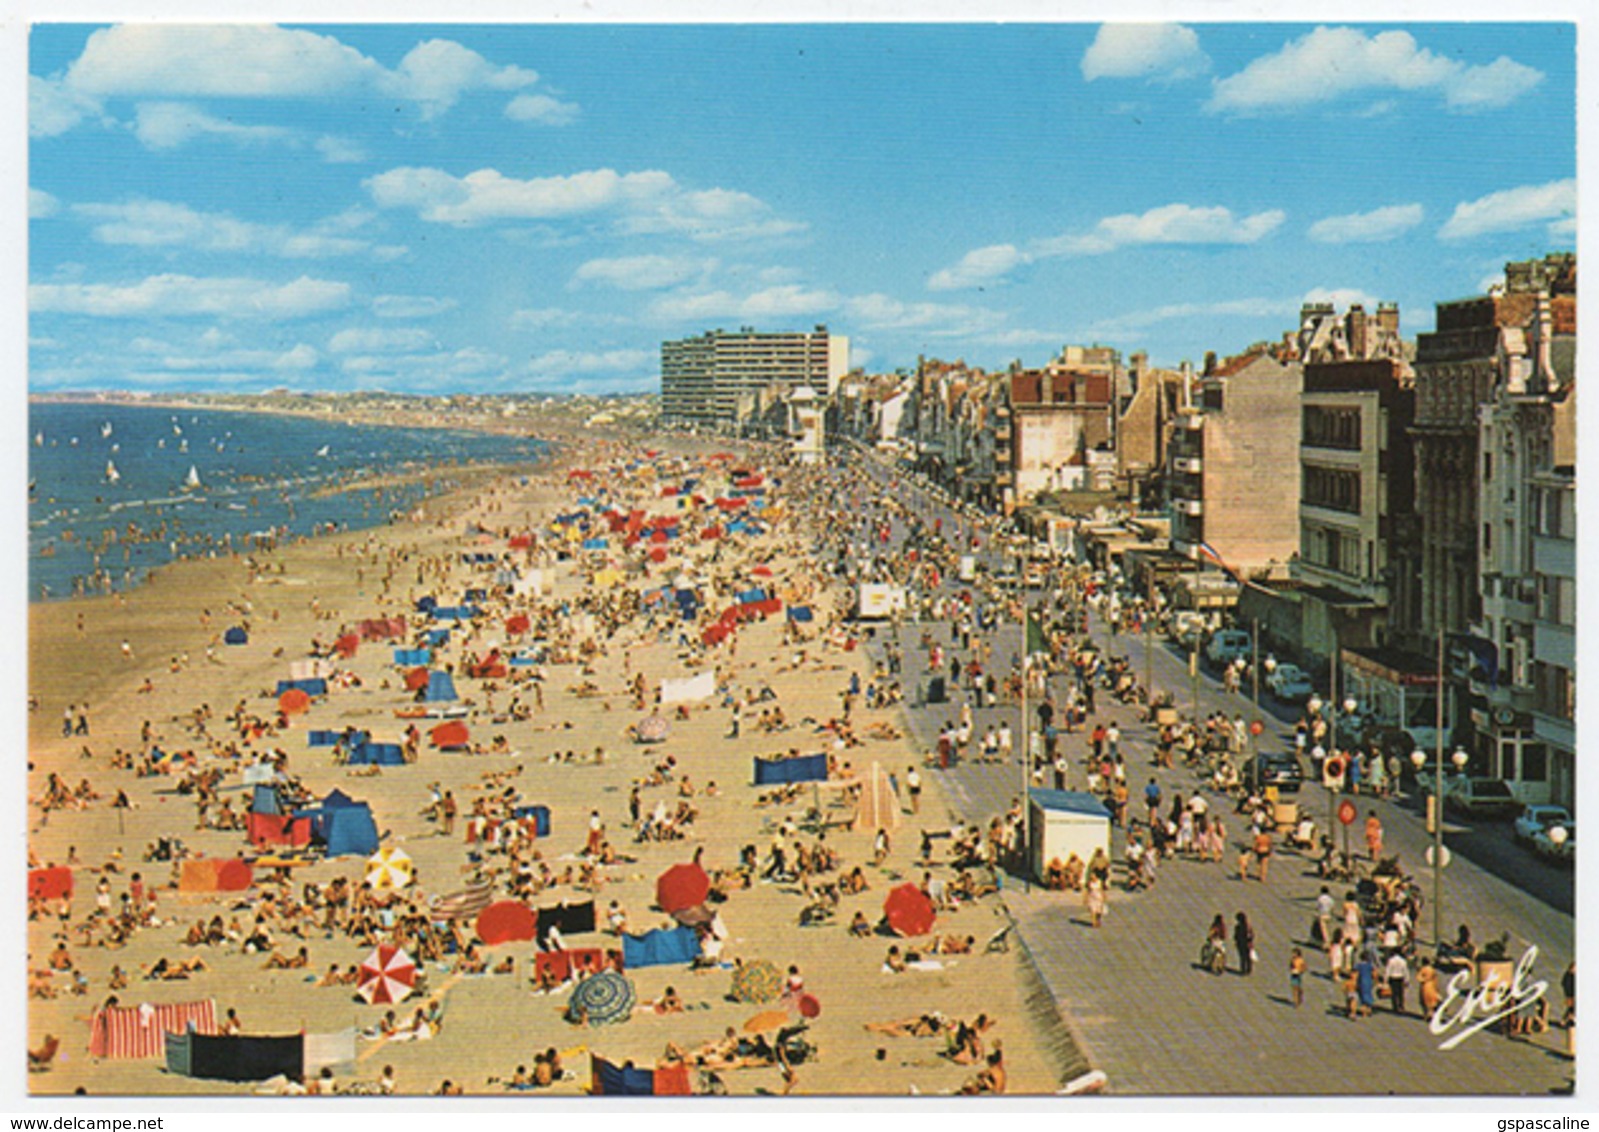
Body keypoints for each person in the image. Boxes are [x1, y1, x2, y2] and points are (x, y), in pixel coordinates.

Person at [1385, 949, 1410, 1014]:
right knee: (1401, 993)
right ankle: (1401, 1006)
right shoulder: (1403, 961)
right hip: (1400, 978)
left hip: (1393, 978)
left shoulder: (1391, 960)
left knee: (1394, 993)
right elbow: (1405, 971)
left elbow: (1388, 970)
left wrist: (1386, 979)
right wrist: (1407, 979)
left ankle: (1395, 1007)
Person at [1234, 912, 1255, 976]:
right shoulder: (1246, 926)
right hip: (1245, 943)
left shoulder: (1243, 927)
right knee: (1246, 956)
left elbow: (1250, 935)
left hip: (1243, 943)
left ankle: (1244, 969)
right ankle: (1247, 969)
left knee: (1243, 956)